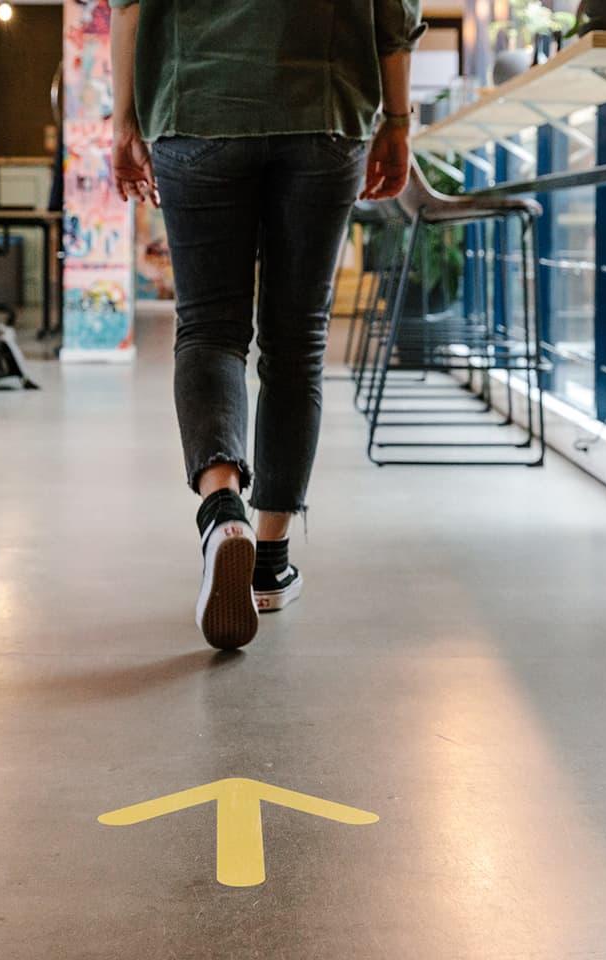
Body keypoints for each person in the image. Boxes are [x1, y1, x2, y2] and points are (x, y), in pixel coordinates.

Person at [110, 0, 423, 650]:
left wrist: (123, 122)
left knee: (209, 329)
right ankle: (270, 562)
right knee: (296, 340)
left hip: (195, 106)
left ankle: (222, 508)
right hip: (324, 108)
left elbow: (130, 4)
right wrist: (397, 119)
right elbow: (393, 10)